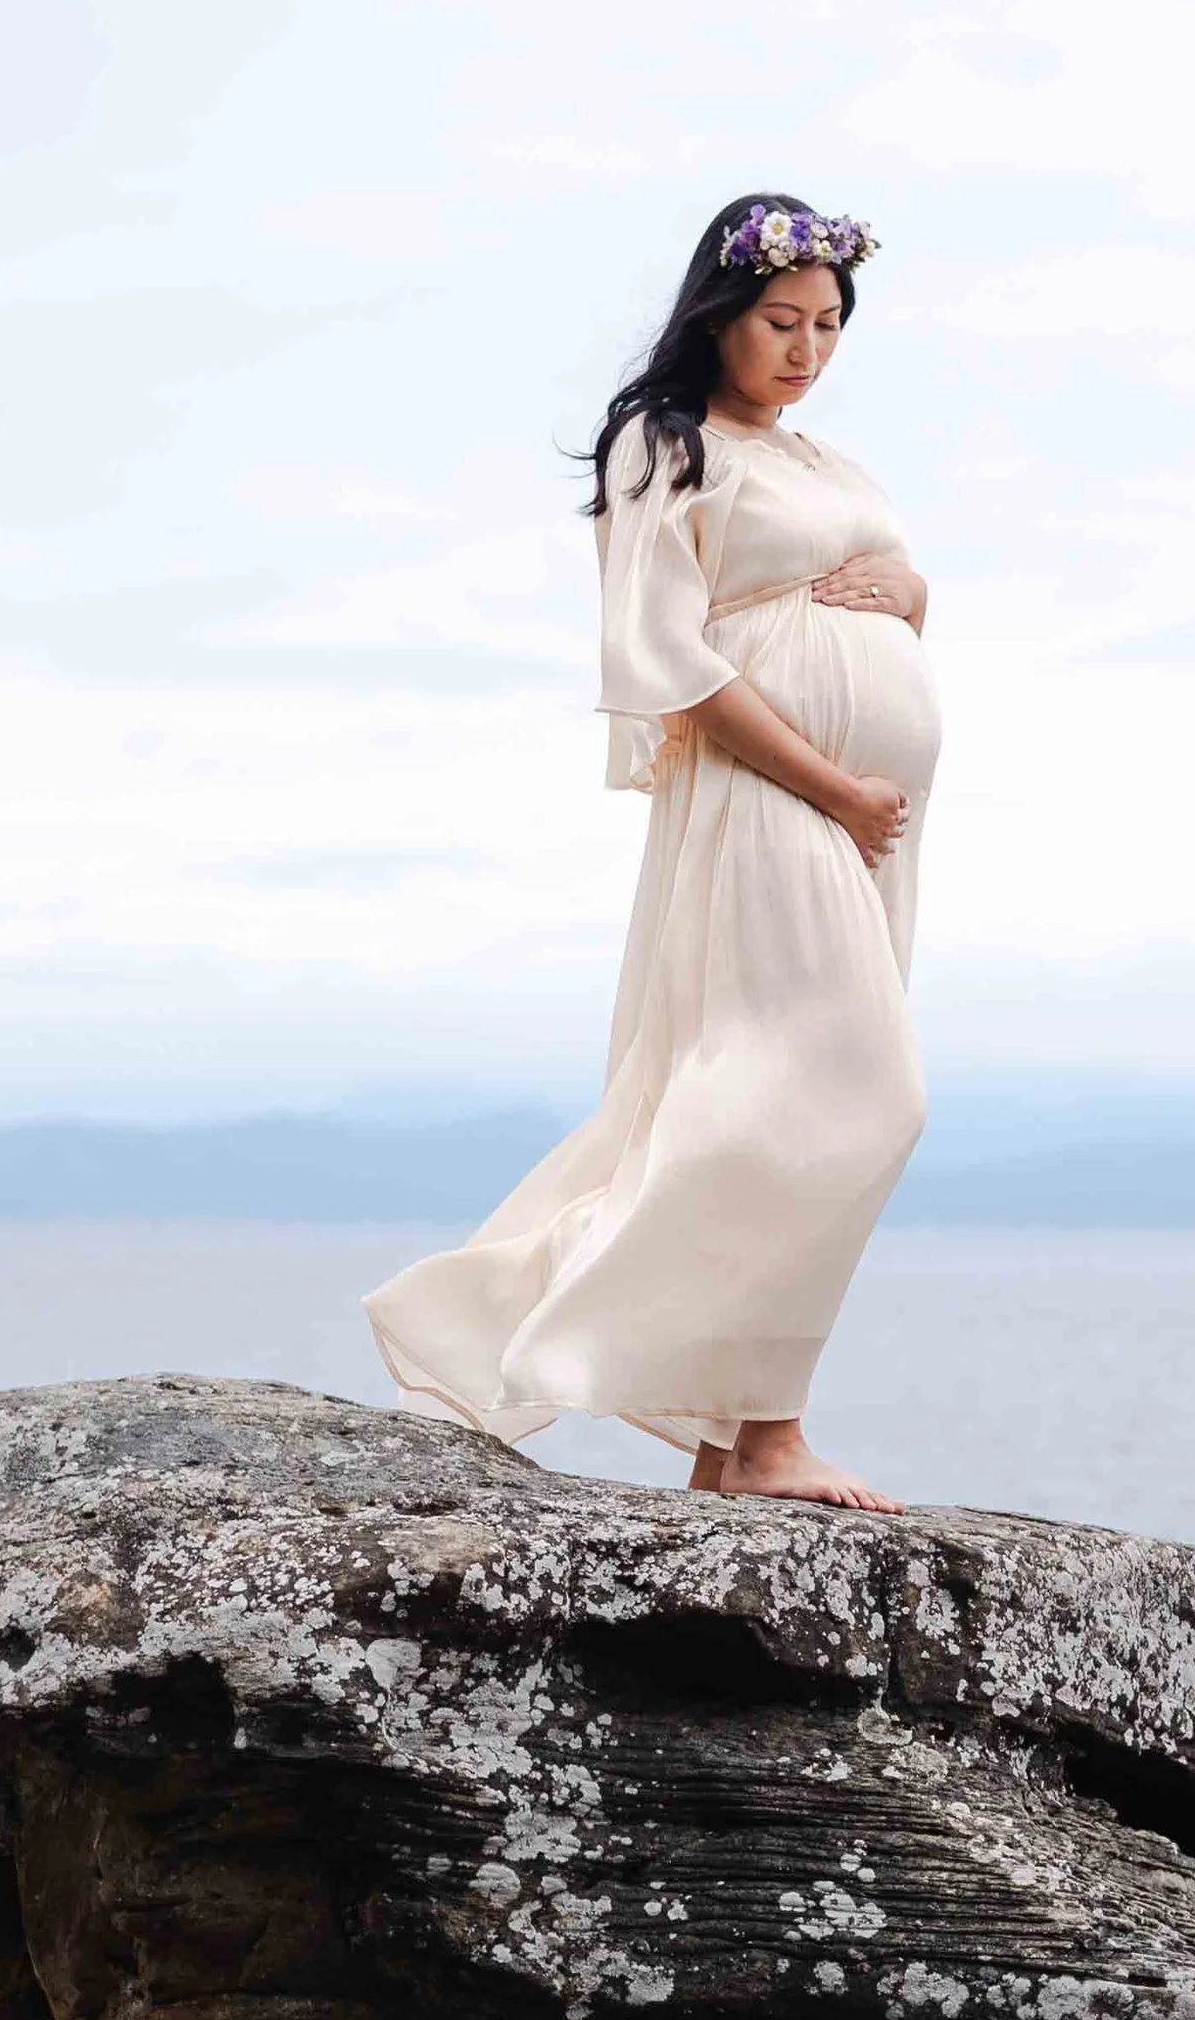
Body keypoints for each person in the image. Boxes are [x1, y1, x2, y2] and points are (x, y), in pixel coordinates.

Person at [367, 194, 936, 1511]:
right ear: (720, 314)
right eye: (782, 321)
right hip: (771, 798)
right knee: (840, 1096)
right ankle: (743, 1424)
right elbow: (665, 662)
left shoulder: (825, 462)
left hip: (867, 820)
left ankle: (730, 1445)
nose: (806, 349)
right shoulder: (664, 444)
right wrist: (836, 791)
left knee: (790, 1093)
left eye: (829, 326)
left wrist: (912, 598)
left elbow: (887, 595)